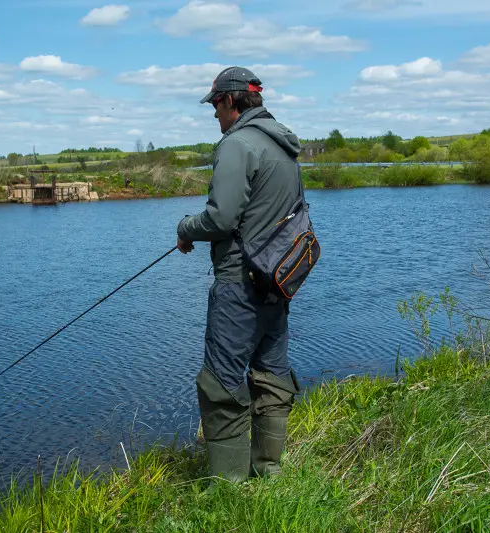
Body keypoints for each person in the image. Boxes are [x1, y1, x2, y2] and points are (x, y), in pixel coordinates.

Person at [176, 66, 304, 483]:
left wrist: (185, 228)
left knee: (221, 386)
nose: (214, 114)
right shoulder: (283, 144)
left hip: (239, 287)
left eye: (215, 104)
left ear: (231, 100)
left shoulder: (237, 145)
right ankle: (268, 475)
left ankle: (228, 492)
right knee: (271, 377)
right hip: (277, 283)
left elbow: (221, 218)